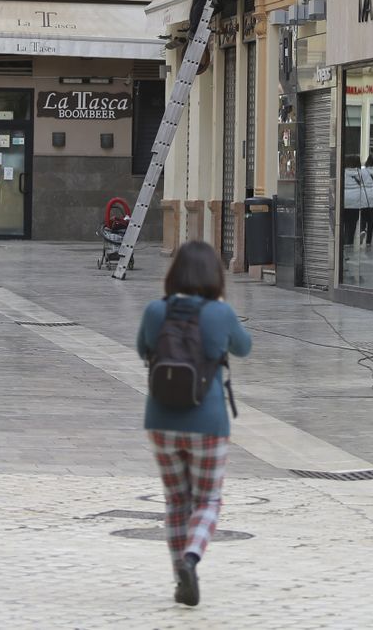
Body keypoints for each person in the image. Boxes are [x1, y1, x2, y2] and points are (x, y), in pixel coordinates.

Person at [134, 241, 252, 608]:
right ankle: (191, 558)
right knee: (208, 499)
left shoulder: (157, 311)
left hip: (160, 421)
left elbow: (142, 350)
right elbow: (244, 348)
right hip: (209, 423)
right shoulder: (221, 314)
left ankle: (178, 576)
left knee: (176, 502)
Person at [339, 155, 373, 247]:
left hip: (343, 201)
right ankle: (349, 241)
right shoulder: (360, 173)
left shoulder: (342, 172)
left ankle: (341, 242)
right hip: (355, 202)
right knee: (352, 222)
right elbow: (367, 185)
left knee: (342, 222)